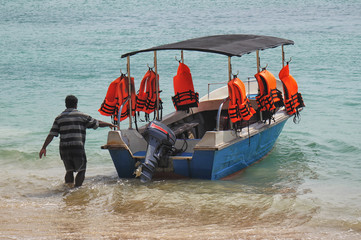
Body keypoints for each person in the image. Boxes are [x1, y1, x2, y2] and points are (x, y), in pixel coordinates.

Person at [39, 95, 118, 188]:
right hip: (77, 147)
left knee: (69, 170)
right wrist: (109, 124)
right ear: (76, 104)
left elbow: (51, 134)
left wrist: (44, 147)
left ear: (66, 104)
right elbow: (97, 123)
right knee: (81, 170)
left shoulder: (59, 118)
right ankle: (76, 190)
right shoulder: (82, 116)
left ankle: (68, 189)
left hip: (64, 148)